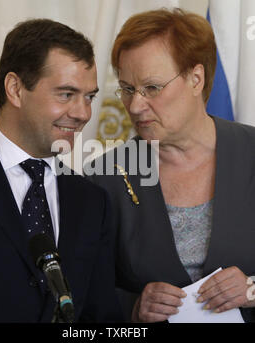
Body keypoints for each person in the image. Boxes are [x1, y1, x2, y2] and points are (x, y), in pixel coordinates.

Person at [85, 8, 255, 322]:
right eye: (127, 89)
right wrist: (132, 307)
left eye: (152, 88)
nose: (135, 106)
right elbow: (81, 296)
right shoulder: (103, 178)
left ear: (196, 78)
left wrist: (251, 289)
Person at [0, 18, 122, 322]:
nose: (83, 113)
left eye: (90, 97)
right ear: (15, 89)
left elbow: (101, 319)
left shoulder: (92, 202)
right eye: (66, 94)